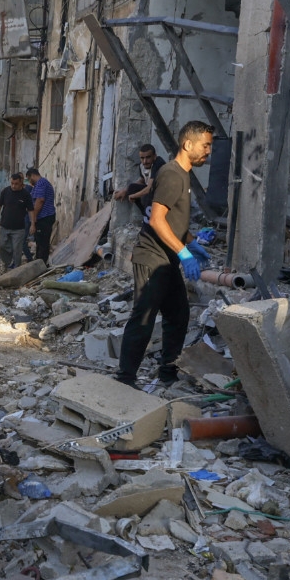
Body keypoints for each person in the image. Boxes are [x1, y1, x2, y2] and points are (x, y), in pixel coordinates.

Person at [117, 123, 213, 387]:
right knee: (144, 318)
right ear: (188, 145)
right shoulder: (172, 174)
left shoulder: (180, 173)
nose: (209, 151)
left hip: (167, 257)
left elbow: (174, 219)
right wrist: (184, 252)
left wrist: (191, 242)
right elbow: (158, 220)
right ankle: (125, 380)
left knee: (178, 315)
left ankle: (168, 374)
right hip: (152, 256)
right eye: (205, 145)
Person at [0, 172, 31, 271]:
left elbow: (31, 210)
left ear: (21, 183)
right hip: (5, 226)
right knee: (2, 245)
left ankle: (16, 269)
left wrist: (33, 224)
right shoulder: (5, 191)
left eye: (16, 184)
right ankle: (6, 263)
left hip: (19, 228)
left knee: (17, 250)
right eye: (12, 183)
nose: (13, 186)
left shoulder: (26, 194)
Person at [26, 166, 56, 262]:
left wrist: (33, 218)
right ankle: (39, 262)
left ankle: (41, 263)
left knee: (42, 242)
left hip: (44, 217)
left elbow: (39, 201)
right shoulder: (41, 184)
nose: (30, 182)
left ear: (33, 176)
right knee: (40, 242)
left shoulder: (41, 183)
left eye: (29, 179)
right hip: (44, 217)